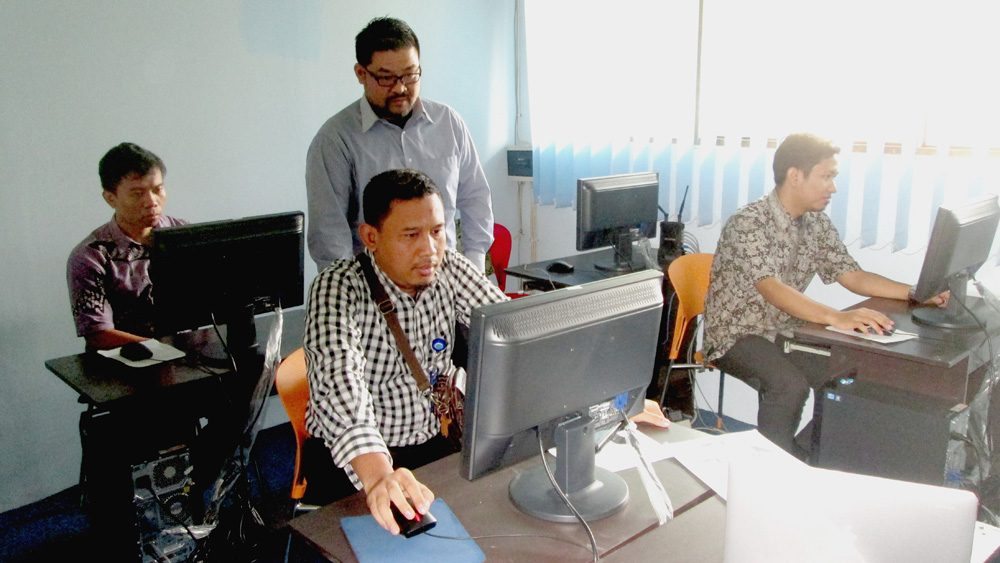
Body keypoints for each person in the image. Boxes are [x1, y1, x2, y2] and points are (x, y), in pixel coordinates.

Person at [304, 169, 670, 534]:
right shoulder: (338, 287)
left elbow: (522, 335)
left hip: (436, 444)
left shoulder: (448, 267)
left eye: (437, 231)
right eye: (411, 235)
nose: (429, 249)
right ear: (371, 237)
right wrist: (379, 476)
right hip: (358, 462)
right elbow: (339, 387)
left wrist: (607, 402)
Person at [703, 132, 948, 459]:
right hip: (735, 334)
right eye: (826, 177)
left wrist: (917, 294)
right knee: (789, 386)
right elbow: (771, 287)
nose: (832, 187)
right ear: (795, 176)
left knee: (851, 375)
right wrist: (837, 317)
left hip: (786, 328)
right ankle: (767, 472)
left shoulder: (816, 223)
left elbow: (852, 275)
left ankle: (802, 457)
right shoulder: (748, 223)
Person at [305, 16, 494, 272]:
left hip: (445, 279)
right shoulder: (335, 140)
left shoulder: (448, 123)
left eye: (410, 75)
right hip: (374, 286)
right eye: (386, 78)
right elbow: (329, 236)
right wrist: (352, 290)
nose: (400, 88)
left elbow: (475, 198)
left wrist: (474, 268)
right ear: (361, 73)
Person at [67, 142, 186, 350]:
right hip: (127, 359)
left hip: (190, 353)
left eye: (157, 189)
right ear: (110, 198)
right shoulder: (90, 256)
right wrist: (165, 351)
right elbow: (98, 334)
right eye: (137, 193)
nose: (152, 201)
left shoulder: (185, 235)